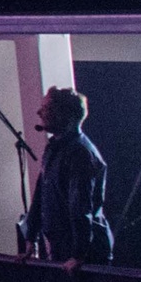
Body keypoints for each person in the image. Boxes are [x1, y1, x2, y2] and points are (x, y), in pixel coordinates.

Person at [23, 89, 112, 263]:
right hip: (63, 247)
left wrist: (78, 255)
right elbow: (41, 195)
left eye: (47, 108)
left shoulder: (80, 153)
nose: (39, 113)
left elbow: (80, 206)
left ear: (67, 115)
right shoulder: (55, 147)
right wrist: (30, 237)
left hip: (86, 253)